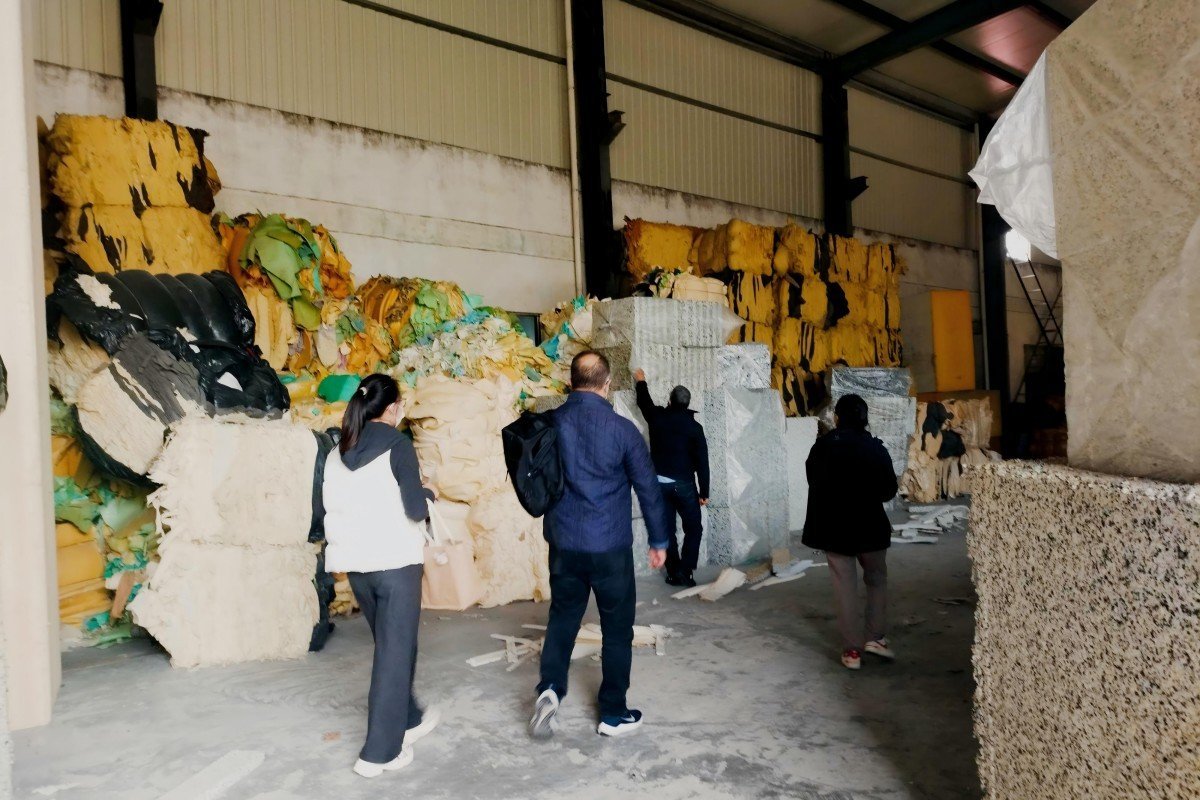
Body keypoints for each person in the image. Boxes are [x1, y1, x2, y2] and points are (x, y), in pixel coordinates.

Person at [530, 351, 670, 740]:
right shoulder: (623, 430)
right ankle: (612, 712)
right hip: (609, 546)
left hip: (564, 542)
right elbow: (648, 488)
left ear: (570, 382)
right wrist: (659, 540)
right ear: (607, 385)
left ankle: (549, 689)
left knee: (563, 618)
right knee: (617, 628)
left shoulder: (550, 424)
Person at [320, 373, 441, 778]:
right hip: (395, 564)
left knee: (394, 646)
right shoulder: (398, 445)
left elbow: (326, 508)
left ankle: (409, 716)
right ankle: (379, 753)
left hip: (358, 567)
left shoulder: (337, 451)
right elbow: (414, 509)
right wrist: (428, 493)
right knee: (393, 652)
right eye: (400, 404)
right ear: (391, 408)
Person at [802, 393, 899, 671]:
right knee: (877, 580)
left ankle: (852, 651)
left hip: (835, 529)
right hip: (870, 527)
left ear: (837, 417)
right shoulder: (875, 448)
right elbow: (888, 490)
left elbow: (812, 481)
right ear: (865, 418)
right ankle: (875, 638)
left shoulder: (821, 447)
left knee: (844, 586)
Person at [633, 368, 710, 588]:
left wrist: (641, 381)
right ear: (688, 404)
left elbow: (644, 402)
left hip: (659, 484)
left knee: (668, 529)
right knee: (694, 528)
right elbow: (702, 462)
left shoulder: (657, 417)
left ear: (669, 400)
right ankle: (686, 571)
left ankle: (673, 572)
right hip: (684, 485)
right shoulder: (695, 428)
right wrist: (704, 492)